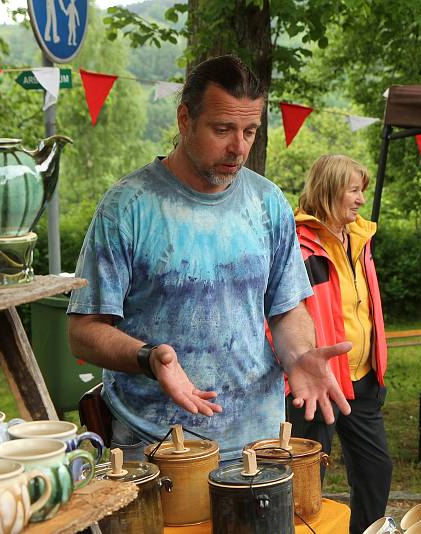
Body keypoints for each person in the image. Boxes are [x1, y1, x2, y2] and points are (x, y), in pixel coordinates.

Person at [67, 55, 351, 463]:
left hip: (261, 445)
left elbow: (286, 310)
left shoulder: (268, 202)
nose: (239, 147)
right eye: (223, 129)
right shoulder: (126, 206)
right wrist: (148, 357)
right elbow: (83, 331)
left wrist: (300, 355)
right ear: (185, 119)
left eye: (249, 131)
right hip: (157, 446)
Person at [288, 155, 392, 534]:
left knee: (376, 469)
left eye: (362, 189)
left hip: (361, 379)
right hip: (317, 382)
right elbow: (280, 316)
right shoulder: (298, 245)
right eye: (353, 190)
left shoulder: (360, 239)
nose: (361, 199)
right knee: (305, 478)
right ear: (330, 190)